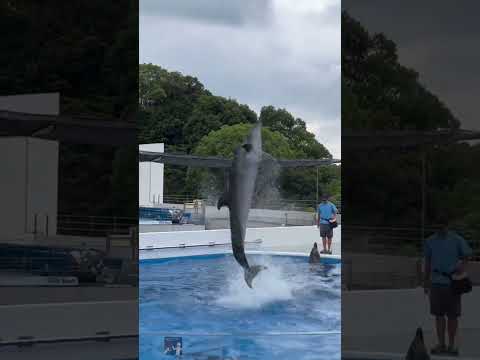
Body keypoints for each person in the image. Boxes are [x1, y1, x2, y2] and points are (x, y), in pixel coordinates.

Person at [423, 215, 472, 356]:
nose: (441, 228)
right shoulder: (430, 241)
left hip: (452, 283)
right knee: (438, 315)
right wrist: (426, 282)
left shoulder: (457, 239)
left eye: (443, 226)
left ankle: (451, 345)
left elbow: (467, 255)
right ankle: (441, 344)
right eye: (438, 226)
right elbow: (428, 262)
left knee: (452, 316)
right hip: (436, 283)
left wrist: (461, 267)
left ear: (447, 225)